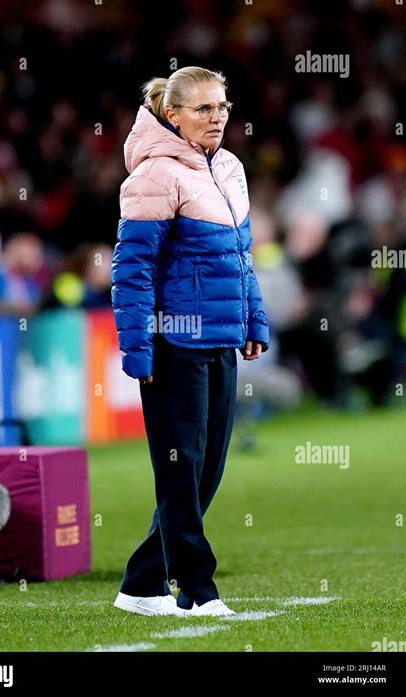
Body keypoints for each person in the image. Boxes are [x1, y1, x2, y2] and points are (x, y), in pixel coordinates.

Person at [110, 66, 269, 617]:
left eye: (222, 106)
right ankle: (198, 589)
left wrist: (255, 321)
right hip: (174, 342)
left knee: (205, 471)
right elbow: (132, 270)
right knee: (181, 470)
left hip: (221, 340)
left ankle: (141, 583)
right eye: (204, 109)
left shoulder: (229, 169)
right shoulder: (153, 175)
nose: (217, 117)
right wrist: (137, 346)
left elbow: (242, 258)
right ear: (171, 115)